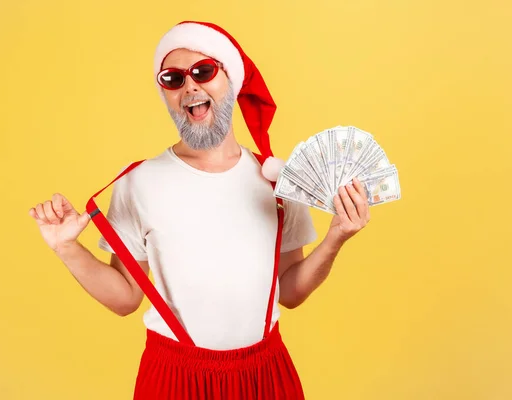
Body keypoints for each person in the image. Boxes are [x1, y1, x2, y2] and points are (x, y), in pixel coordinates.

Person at [28, 21, 370, 400]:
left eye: (203, 71)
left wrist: (336, 237)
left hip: (265, 375)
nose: (190, 86)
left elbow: (289, 291)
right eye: (173, 78)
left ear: (231, 80)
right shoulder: (138, 183)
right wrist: (66, 247)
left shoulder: (279, 181)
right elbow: (126, 298)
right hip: (173, 377)